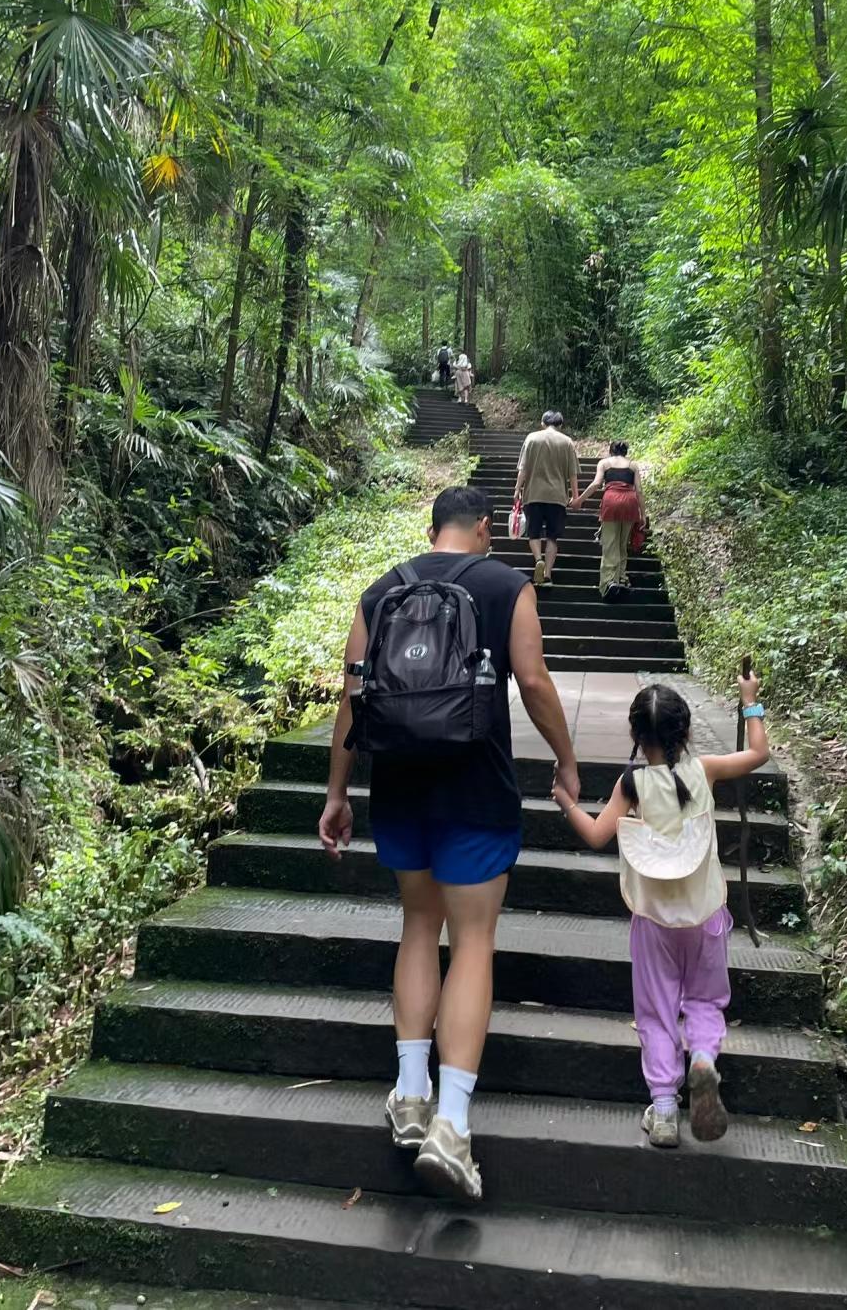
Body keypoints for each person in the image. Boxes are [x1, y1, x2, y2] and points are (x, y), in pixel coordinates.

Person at [318, 485, 580, 1203]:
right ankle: (453, 1124)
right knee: (473, 942)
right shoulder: (507, 585)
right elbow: (533, 680)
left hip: (400, 788)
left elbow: (351, 697)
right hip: (476, 789)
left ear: (432, 528)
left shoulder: (382, 590)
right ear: (485, 528)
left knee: (418, 926)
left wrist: (338, 793)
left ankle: (410, 1094)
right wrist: (566, 759)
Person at [552, 673, 768, 1149]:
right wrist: (749, 701)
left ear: (635, 734)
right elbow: (758, 754)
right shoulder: (704, 770)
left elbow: (596, 835)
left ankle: (665, 1109)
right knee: (705, 1000)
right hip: (705, 915)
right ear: (685, 731)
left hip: (653, 921)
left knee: (656, 1010)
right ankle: (703, 1059)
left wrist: (566, 803)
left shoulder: (631, 784)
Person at [515, 409, 580, 588]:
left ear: (542, 423)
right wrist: (575, 497)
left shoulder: (531, 438)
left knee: (533, 533)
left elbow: (523, 469)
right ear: (560, 425)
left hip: (533, 494)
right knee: (552, 537)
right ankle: (548, 575)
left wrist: (517, 489)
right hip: (557, 496)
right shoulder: (567, 442)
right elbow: (573, 474)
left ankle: (538, 560)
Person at [577, 440, 645, 601]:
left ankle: (608, 583)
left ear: (611, 451)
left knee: (609, 544)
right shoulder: (633, 465)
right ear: (625, 452)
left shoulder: (604, 463)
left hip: (611, 501)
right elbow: (639, 491)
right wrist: (643, 514)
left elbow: (596, 484)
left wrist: (579, 500)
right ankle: (621, 578)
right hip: (630, 503)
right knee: (622, 544)